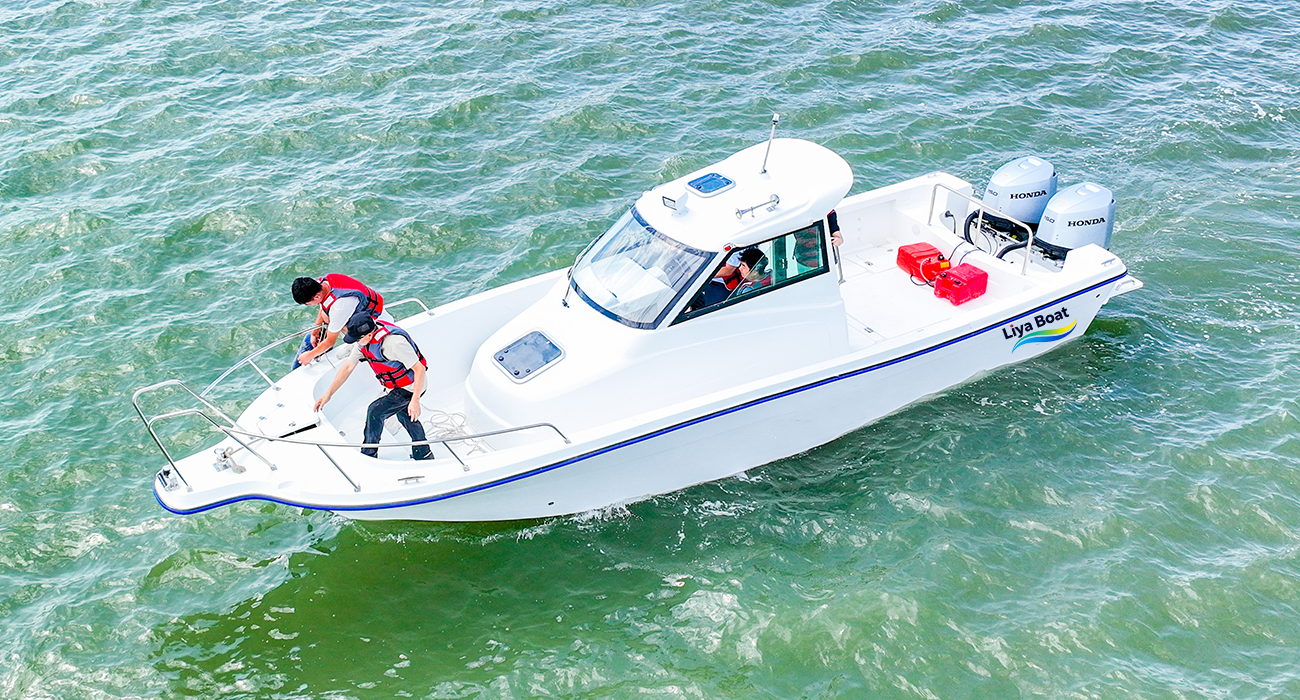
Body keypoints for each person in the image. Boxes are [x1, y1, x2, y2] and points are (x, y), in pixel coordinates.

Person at [313, 313, 433, 461]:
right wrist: (328, 394)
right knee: (406, 416)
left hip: (411, 386)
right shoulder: (363, 343)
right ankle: (424, 453)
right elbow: (347, 368)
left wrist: (415, 401)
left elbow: (419, 369)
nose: (356, 342)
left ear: (369, 335)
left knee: (375, 411)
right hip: (394, 387)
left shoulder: (394, 344)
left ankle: (369, 455)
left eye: (357, 339)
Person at [290, 273, 389, 369]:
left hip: (373, 326)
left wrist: (309, 355)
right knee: (311, 337)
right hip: (358, 314)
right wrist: (315, 333)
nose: (308, 305)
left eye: (308, 303)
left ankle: (360, 348)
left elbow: (330, 341)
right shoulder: (324, 282)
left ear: (317, 296)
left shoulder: (339, 307)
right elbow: (324, 306)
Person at [695, 247, 765, 309]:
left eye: (743, 266)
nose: (740, 268)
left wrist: (700, 275)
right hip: (712, 284)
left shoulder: (751, 287)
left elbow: (728, 270)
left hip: (719, 287)